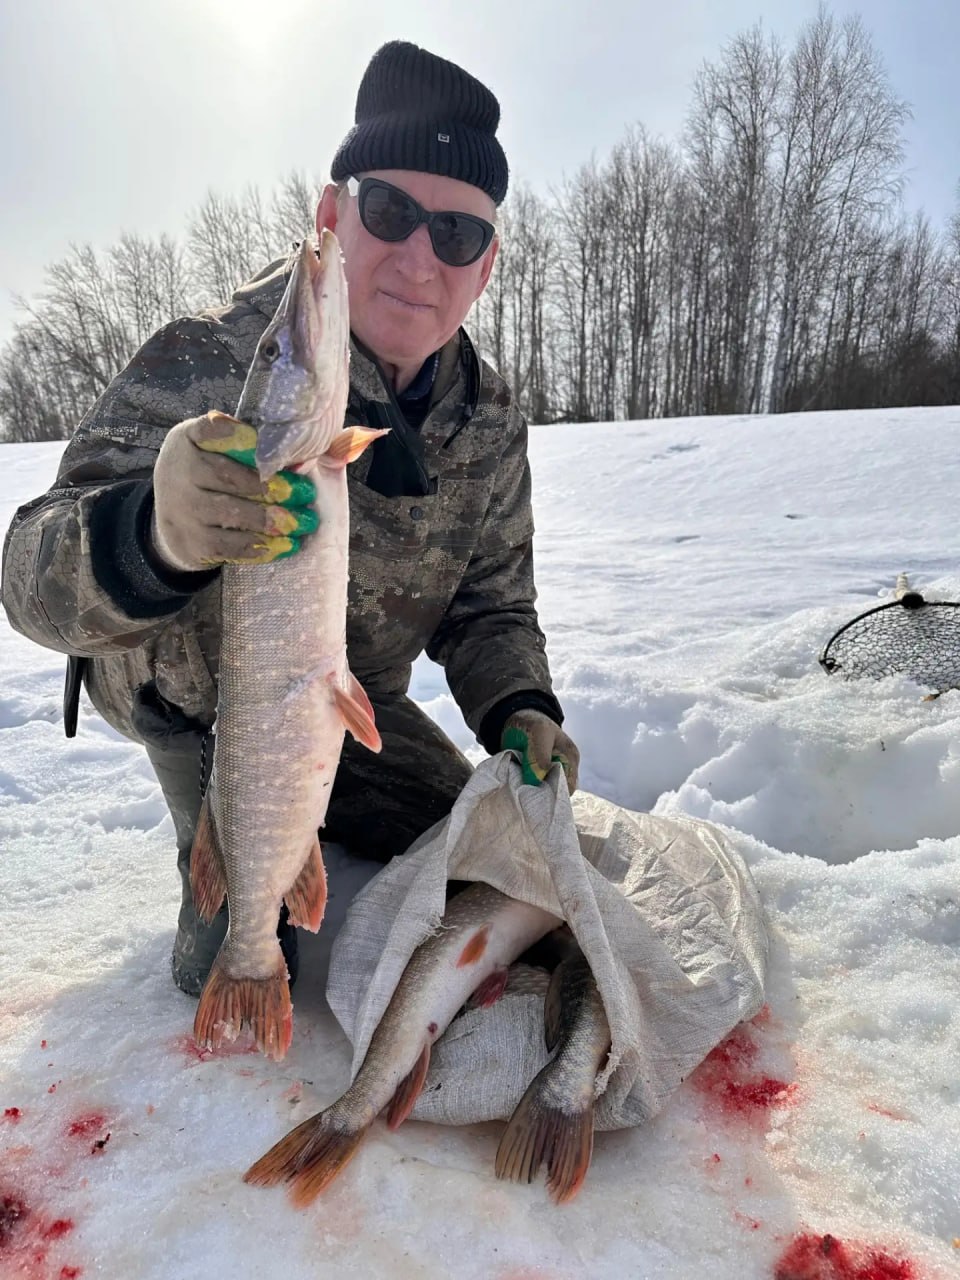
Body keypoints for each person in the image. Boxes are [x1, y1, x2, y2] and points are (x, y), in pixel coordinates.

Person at [0, 40, 579, 998]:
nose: (417, 258)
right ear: (331, 212)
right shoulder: (214, 357)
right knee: (243, 935)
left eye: (458, 235)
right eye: (389, 211)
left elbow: (493, 605)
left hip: (348, 698)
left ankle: (327, 798)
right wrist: (154, 533)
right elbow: (26, 577)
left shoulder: (487, 419)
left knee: (491, 871)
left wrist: (520, 707)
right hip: (193, 699)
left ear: (485, 268)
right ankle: (223, 849)